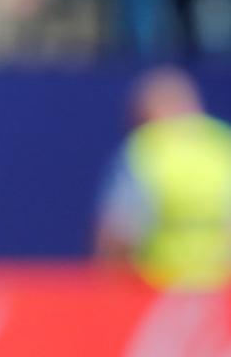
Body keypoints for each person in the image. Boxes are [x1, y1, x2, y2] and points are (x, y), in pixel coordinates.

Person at [95, 65, 231, 291]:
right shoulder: (222, 144)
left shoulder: (144, 150)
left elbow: (117, 234)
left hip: (156, 293)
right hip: (222, 295)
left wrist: (111, 289)